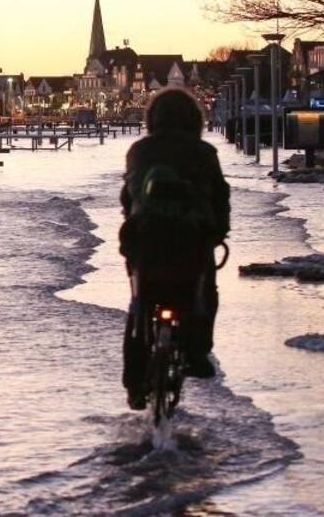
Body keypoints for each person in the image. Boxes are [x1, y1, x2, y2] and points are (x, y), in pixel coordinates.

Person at [118, 89, 231, 411]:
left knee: (140, 304)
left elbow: (128, 196)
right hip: (190, 240)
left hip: (146, 239)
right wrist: (218, 231)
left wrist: (133, 222)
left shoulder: (138, 150)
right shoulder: (204, 152)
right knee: (203, 291)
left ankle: (134, 384)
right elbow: (220, 197)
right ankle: (197, 354)